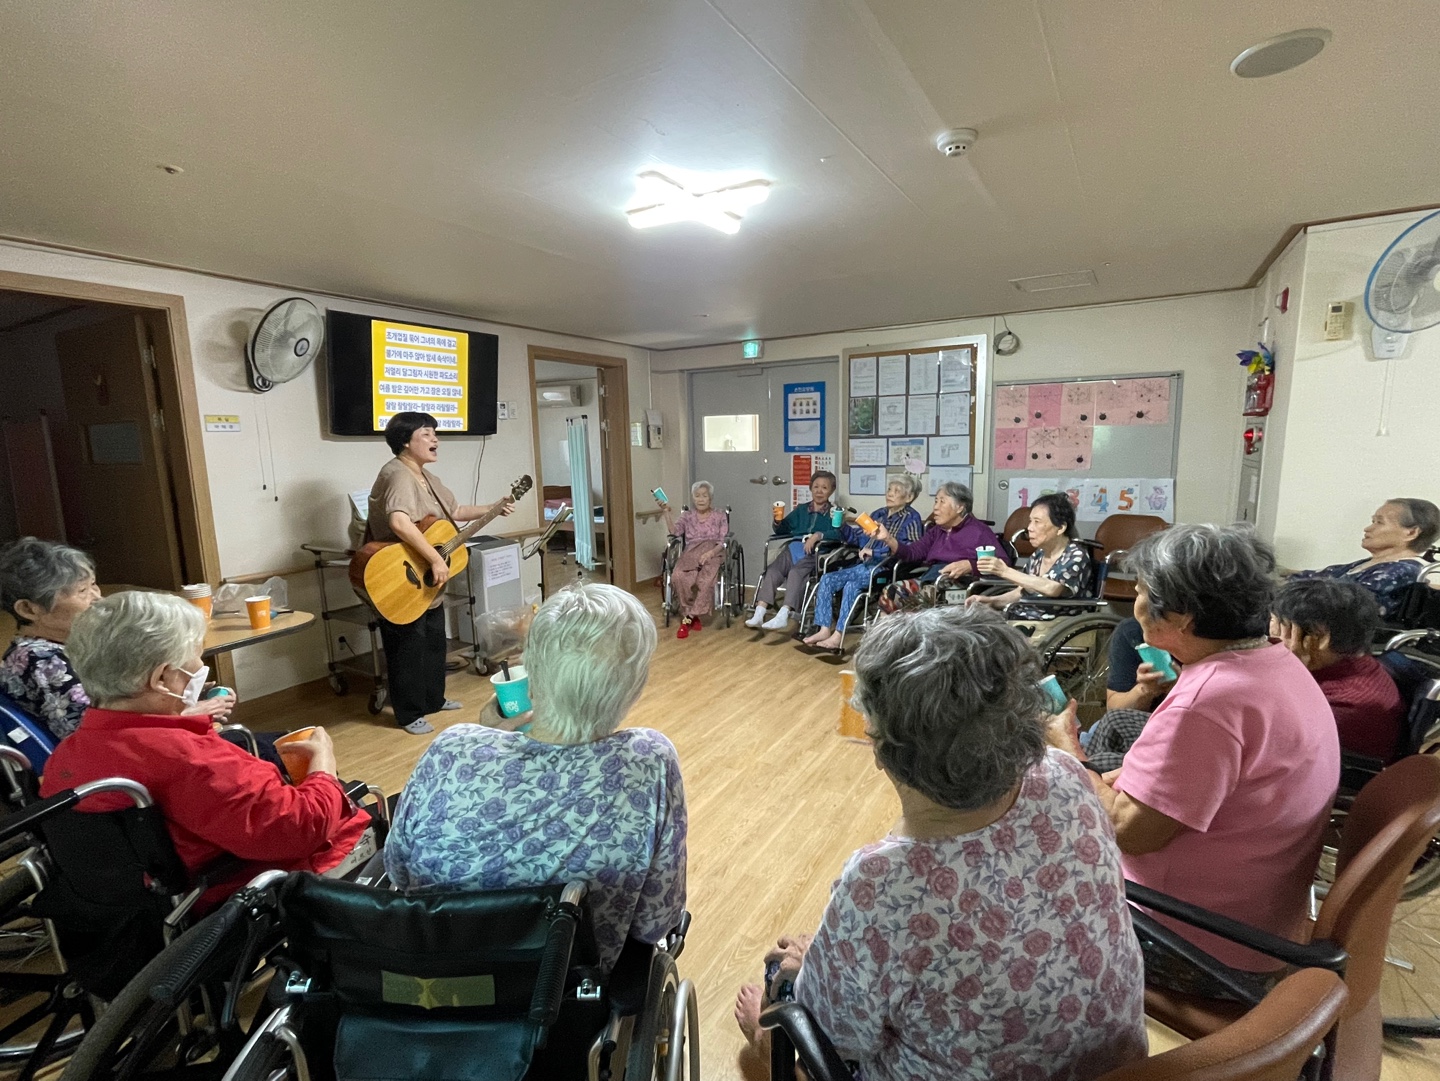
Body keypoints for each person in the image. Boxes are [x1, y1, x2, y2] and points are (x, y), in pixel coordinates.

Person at [735, 606, 1146, 1081]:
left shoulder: (880, 883)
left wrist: (815, 968)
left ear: (880, 745)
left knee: (781, 985)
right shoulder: (1066, 773)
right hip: (1118, 1064)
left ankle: (764, 1041)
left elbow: (839, 1038)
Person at [1045, 524, 1340, 994]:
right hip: (1261, 918)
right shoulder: (1275, 662)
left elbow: (1129, 832)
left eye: (1141, 591)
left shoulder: (1208, 702)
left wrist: (1068, 751)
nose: (1135, 601)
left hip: (1196, 944)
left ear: (1181, 616)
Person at [384, 584, 686, 971]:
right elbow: (654, 923)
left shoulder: (451, 748)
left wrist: (486, 737)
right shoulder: (648, 759)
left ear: (531, 674)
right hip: (565, 991)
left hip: (436, 979)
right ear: (632, 688)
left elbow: (399, 871)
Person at [40, 592, 372, 904]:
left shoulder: (66, 756)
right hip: (247, 890)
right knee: (371, 813)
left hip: (147, 904)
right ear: (161, 679)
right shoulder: (191, 759)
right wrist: (323, 764)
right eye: (196, 657)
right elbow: (299, 829)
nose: (200, 667)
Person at [0, 537, 234, 742]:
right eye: (82, 591)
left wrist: (181, 687)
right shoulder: (43, 661)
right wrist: (191, 713)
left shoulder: (63, 647)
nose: (97, 597)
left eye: (93, 585)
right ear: (29, 609)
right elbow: (95, 736)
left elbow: (118, 697)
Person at [367, 412, 515, 734]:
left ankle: (433, 699)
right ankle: (408, 714)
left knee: (434, 641)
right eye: (426, 434)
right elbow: (398, 521)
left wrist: (494, 506)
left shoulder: (426, 477)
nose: (435, 439)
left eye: (434, 433)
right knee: (407, 646)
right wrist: (435, 558)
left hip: (424, 577)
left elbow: (456, 512)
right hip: (400, 574)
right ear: (405, 441)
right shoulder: (397, 474)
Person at [1271, 578, 1405, 761]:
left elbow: (1274, 740)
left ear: (1319, 637)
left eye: (1278, 630)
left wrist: (1289, 671)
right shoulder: (1357, 664)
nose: (1269, 639)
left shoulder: (1344, 705)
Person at [801, 475, 924, 650]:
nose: (890, 494)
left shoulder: (912, 518)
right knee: (827, 579)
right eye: (889, 489)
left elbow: (911, 549)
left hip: (885, 569)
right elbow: (856, 538)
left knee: (852, 585)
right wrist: (842, 524)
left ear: (909, 497)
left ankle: (838, 635)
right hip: (864, 566)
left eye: (897, 491)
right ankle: (824, 629)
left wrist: (875, 552)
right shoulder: (878, 514)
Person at [1290, 498, 1439, 620]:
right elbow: (1308, 578)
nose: (1367, 528)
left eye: (1379, 522)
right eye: (1373, 521)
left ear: (1411, 532)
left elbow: (1341, 604)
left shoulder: (1403, 570)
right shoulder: (1365, 565)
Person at [871, 481, 1007, 614]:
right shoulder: (937, 531)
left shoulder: (979, 531)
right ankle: (884, 629)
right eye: (936, 501)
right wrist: (887, 538)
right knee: (892, 592)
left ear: (960, 507)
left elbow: (1003, 562)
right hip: (932, 580)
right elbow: (912, 552)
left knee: (920, 604)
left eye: (942, 502)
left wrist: (970, 565)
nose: (935, 507)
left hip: (960, 585)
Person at [971, 493, 1091, 622]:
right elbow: (1022, 592)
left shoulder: (1076, 555)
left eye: (1037, 522)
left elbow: (1052, 588)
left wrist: (1004, 571)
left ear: (1060, 528)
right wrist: (991, 601)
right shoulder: (1039, 554)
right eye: (1030, 521)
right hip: (1024, 618)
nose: (1029, 528)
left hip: (1054, 623)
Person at [746, 472, 842, 631]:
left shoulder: (834, 512)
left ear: (831, 490)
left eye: (824, 488)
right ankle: (759, 611)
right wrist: (778, 521)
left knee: (795, 573)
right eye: (816, 487)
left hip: (815, 553)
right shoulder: (802, 509)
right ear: (811, 488)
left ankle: (784, 614)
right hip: (793, 549)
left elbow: (838, 533)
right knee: (773, 571)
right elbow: (783, 529)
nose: (819, 491)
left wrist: (817, 536)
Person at [1081, 617, 1177, 772]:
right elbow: (1114, 706)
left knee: (1097, 759)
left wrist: (1179, 687)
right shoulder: (1133, 632)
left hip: (1181, 733)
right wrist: (1145, 690)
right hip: (1146, 729)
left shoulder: (1208, 647)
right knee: (1107, 723)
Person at [659, 480, 729, 639]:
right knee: (678, 576)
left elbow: (722, 540)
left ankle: (687, 619)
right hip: (691, 551)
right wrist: (666, 512)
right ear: (693, 498)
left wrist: (710, 553)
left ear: (710, 498)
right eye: (697, 496)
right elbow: (675, 532)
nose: (701, 499)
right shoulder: (687, 516)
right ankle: (692, 615)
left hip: (713, 550)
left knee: (705, 581)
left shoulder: (720, 515)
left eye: (704, 496)